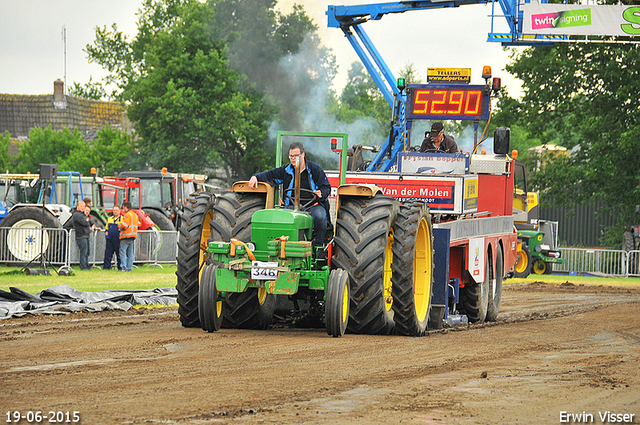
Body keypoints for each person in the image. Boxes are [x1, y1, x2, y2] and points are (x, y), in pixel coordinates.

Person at [248, 141, 331, 247]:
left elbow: (326, 187)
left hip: (312, 205)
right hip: (290, 206)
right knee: (279, 218)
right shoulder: (286, 170)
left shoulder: (315, 169)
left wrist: (321, 193)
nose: (293, 159)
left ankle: (319, 247)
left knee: (320, 217)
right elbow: (270, 175)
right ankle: (281, 247)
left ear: (303, 155)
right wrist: (256, 177)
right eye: (291, 156)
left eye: (296, 156)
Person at [71, 200, 93, 270]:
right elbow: (85, 222)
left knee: (87, 252)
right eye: (81, 206)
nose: (83, 208)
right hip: (81, 236)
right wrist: (87, 221)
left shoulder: (83, 215)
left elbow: (90, 221)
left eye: (83, 207)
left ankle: (86, 265)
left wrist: (87, 220)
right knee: (83, 252)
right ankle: (83, 266)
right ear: (77, 206)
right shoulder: (77, 214)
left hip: (86, 235)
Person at [118, 201, 139, 272]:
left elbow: (124, 225)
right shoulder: (135, 215)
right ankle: (129, 267)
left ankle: (124, 267)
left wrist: (119, 225)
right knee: (130, 252)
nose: (123, 210)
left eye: (123, 208)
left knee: (122, 251)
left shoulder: (127, 215)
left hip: (126, 236)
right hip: (133, 235)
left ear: (126, 207)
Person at [103, 205, 123, 270]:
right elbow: (107, 228)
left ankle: (120, 267)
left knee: (119, 255)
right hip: (110, 240)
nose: (115, 212)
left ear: (119, 211)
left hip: (118, 239)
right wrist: (107, 235)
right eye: (114, 210)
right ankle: (106, 267)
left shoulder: (122, 219)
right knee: (108, 254)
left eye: (117, 210)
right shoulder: (110, 219)